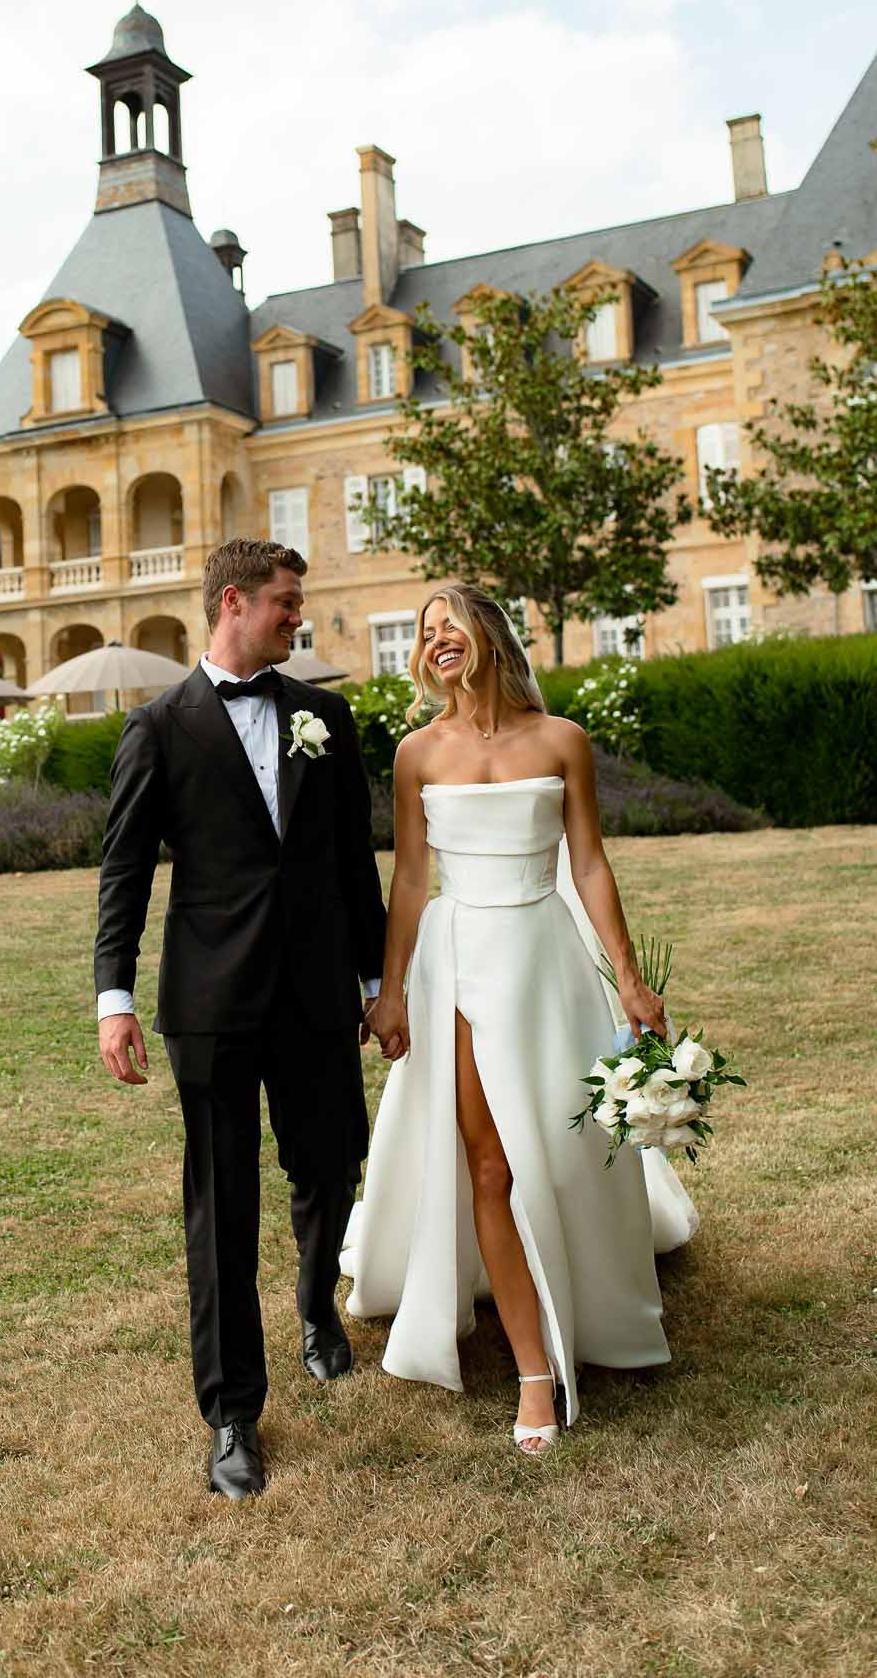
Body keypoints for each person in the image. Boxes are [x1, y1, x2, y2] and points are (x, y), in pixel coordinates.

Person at [341, 582, 697, 1453]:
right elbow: (412, 881)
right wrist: (390, 990)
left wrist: (629, 980)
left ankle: (595, 1294)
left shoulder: (562, 741)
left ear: (487, 635)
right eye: (423, 633)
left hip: (543, 957)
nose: (433, 641)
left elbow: (590, 866)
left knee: (565, 1144)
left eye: (445, 624)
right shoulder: (416, 753)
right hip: (456, 962)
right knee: (488, 1163)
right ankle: (535, 1373)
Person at [94, 538, 387, 1498]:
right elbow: (125, 873)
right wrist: (115, 999)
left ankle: (315, 1309)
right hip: (211, 1002)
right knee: (220, 1202)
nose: (298, 617)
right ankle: (232, 1415)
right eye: (286, 602)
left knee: (330, 1161)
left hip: (314, 991)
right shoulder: (159, 727)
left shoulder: (325, 719)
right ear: (234, 602)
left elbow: (353, 860)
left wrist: (379, 981)